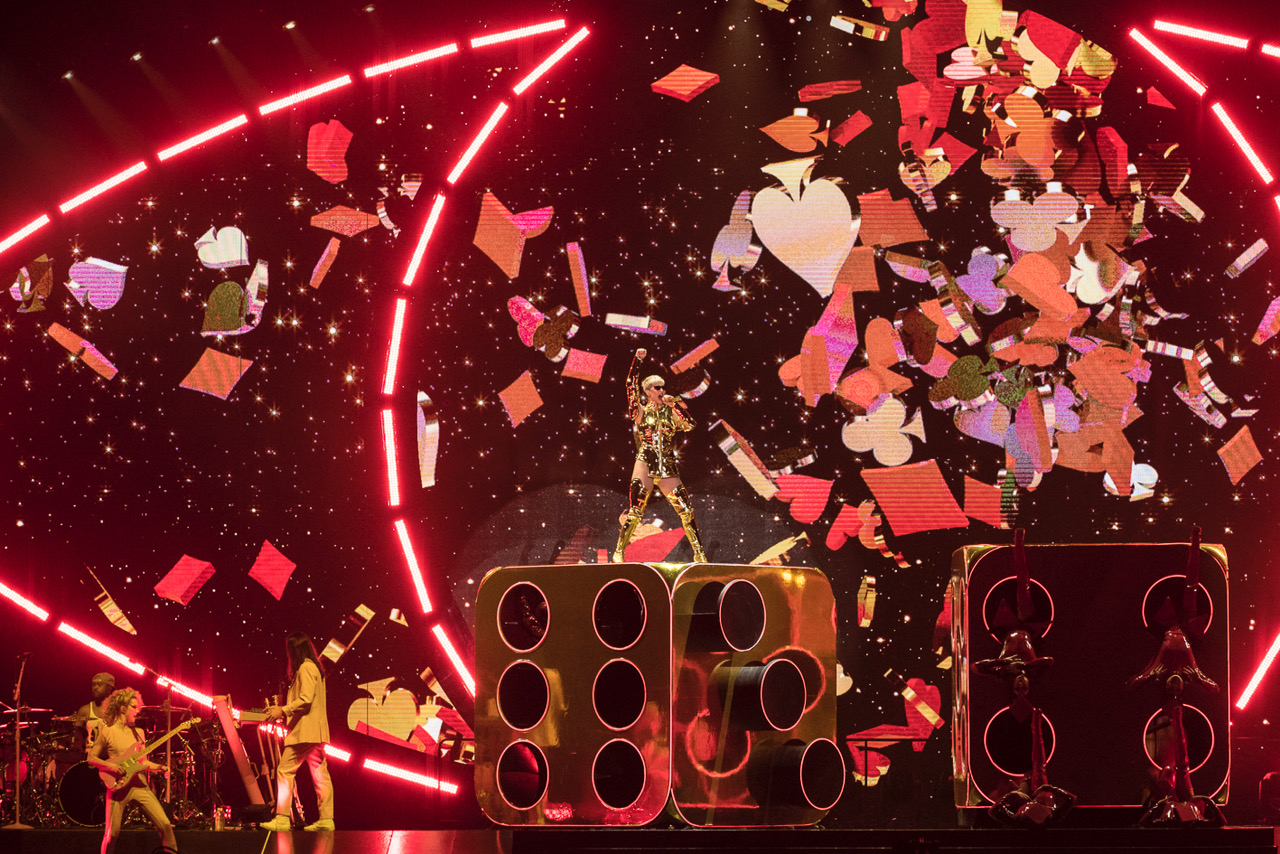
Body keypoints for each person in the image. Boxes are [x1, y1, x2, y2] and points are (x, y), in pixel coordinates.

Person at [614, 348, 707, 562]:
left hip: (666, 465)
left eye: (663, 387)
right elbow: (629, 385)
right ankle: (619, 550)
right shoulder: (640, 411)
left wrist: (675, 406)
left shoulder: (669, 411)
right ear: (648, 391)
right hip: (645, 462)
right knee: (636, 511)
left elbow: (690, 425)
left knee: (686, 510)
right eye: (657, 387)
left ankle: (699, 552)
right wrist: (637, 361)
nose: (662, 390)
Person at [86, 687, 176, 854]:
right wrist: (112, 766)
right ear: (122, 708)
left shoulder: (139, 733)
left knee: (165, 825)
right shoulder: (107, 731)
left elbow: (143, 762)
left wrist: (160, 767)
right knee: (112, 834)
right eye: (133, 707)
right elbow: (91, 759)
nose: (137, 711)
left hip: (139, 785)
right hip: (118, 786)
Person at [259, 632, 334, 832]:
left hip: (305, 731)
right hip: (314, 731)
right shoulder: (313, 667)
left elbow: (305, 699)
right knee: (320, 774)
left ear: (294, 650)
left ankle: (282, 818)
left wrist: (282, 710)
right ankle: (326, 819)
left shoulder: (306, 668)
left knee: (285, 770)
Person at [72, 672, 115, 754]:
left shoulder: (118, 710)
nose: (95, 687)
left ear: (109, 688)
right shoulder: (85, 710)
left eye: (99, 684)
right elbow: (77, 740)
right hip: (90, 758)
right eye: (94, 685)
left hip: (113, 758)